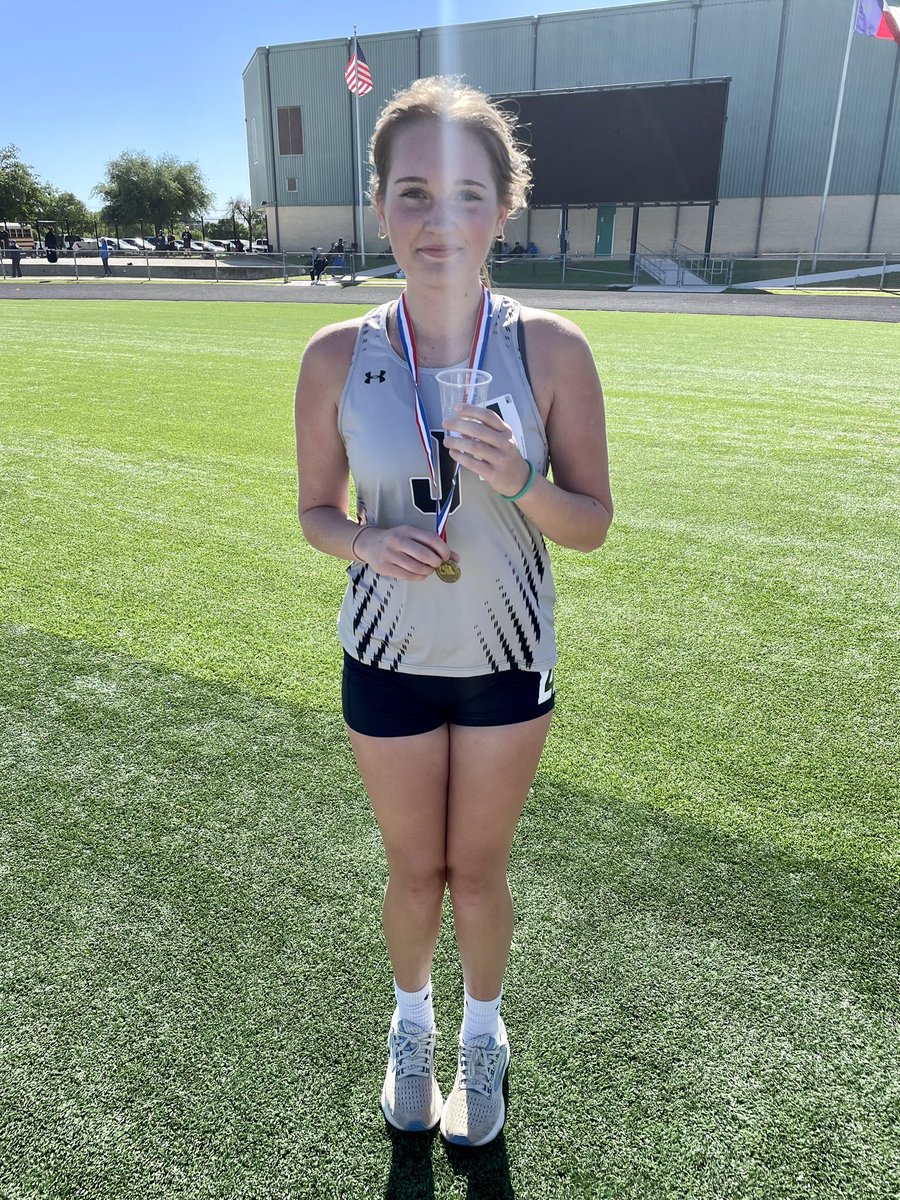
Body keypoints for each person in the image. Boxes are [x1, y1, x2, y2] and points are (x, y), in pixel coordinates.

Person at [294, 76, 612, 1148]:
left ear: (502, 211)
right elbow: (312, 514)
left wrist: (522, 480)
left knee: (476, 870)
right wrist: (362, 540)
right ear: (382, 204)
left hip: (505, 661)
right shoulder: (336, 354)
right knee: (410, 870)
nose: (439, 221)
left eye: (466, 195)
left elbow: (592, 523)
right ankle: (413, 1023)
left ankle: (484, 1033)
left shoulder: (552, 349)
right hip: (384, 655)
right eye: (415, 192)